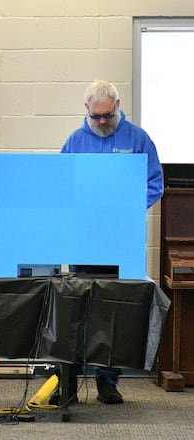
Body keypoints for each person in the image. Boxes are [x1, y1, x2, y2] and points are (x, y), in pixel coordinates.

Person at [59, 80, 163, 405]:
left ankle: (108, 381)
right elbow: (60, 184)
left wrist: (129, 207)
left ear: (117, 106)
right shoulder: (75, 141)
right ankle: (70, 381)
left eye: (107, 115)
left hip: (121, 241)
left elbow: (155, 183)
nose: (102, 122)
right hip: (83, 241)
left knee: (114, 311)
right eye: (97, 117)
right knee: (77, 308)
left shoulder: (138, 139)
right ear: (86, 110)